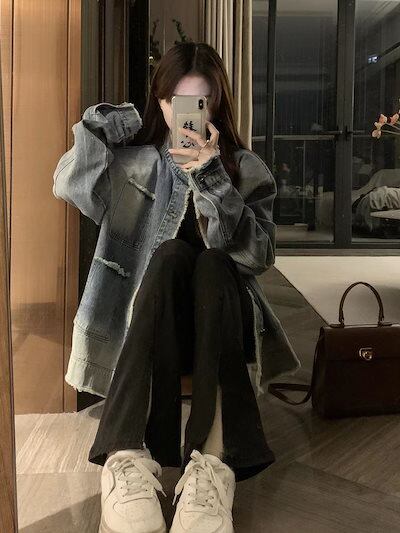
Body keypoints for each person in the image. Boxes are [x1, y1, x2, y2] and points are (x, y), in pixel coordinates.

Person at [83, 42, 277, 533]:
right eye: (177, 101)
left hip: (222, 323)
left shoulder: (245, 167)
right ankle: (125, 457)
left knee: (213, 263)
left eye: (200, 101)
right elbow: (69, 185)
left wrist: (212, 178)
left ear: (216, 104)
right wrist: (114, 124)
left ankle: (211, 466)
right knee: (170, 255)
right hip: (152, 325)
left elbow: (260, 257)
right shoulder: (134, 163)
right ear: (161, 102)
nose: (188, 113)